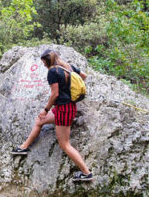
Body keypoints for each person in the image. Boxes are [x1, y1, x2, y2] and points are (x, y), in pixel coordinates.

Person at [11, 49, 93, 182]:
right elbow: (83, 76)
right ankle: (23, 148)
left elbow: (54, 94)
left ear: (46, 61)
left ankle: (86, 173)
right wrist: (71, 88)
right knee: (39, 121)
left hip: (63, 110)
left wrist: (46, 109)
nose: (43, 65)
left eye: (43, 62)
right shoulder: (68, 67)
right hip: (67, 107)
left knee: (65, 144)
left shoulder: (52, 72)